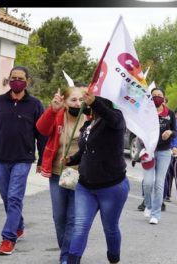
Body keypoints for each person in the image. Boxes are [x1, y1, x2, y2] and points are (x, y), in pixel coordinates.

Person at [64, 91, 130, 264]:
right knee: (80, 228)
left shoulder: (116, 117)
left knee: (110, 228)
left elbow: (114, 120)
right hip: (85, 186)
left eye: (90, 98)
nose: (85, 101)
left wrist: (95, 102)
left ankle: (113, 259)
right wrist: (72, 159)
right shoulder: (89, 123)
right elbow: (86, 150)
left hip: (112, 186)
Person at [0, 66, 47, 255]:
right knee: (5, 196)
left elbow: (41, 134)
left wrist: (42, 158)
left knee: (14, 197)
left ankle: (8, 238)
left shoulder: (35, 104)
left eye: (20, 78)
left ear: (27, 81)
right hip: (0, 158)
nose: (16, 81)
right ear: (8, 79)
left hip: (23, 159)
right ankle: (18, 226)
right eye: (13, 77)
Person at [36, 84, 87, 264]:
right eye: (73, 100)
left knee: (73, 219)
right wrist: (52, 109)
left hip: (81, 175)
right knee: (59, 218)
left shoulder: (89, 117)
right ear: (64, 102)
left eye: (81, 99)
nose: (77, 103)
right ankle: (65, 248)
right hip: (58, 173)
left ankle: (66, 257)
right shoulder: (58, 115)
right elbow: (41, 129)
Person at [141, 87, 177, 225]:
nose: (156, 97)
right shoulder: (145, 113)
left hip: (164, 152)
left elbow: (176, 131)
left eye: (159, 95)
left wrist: (169, 132)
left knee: (159, 183)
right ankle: (148, 205)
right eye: (154, 95)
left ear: (164, 97)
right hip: (148, 151)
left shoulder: (170, 114)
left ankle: (155, 214)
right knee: (148, 182)